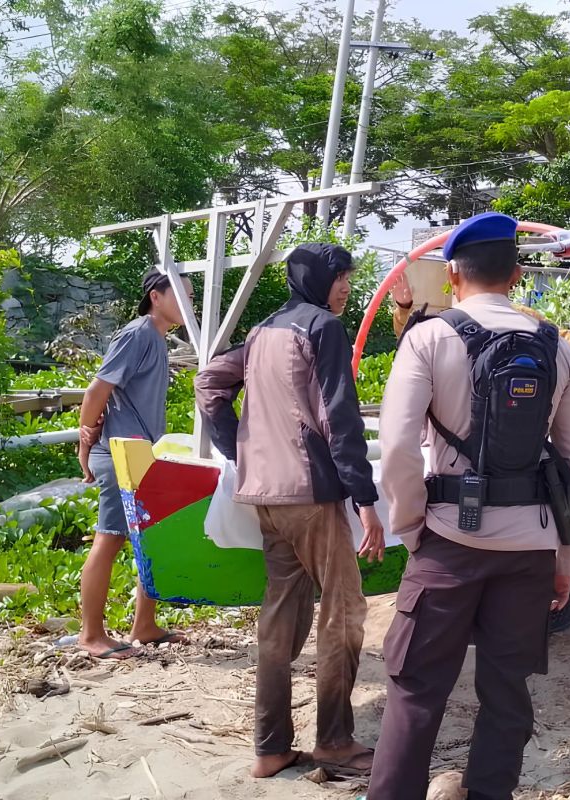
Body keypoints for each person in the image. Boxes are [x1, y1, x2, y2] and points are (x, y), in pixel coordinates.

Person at [368, 212, 570, 800]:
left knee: (417, 689)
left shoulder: (429, 337)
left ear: (452, 276)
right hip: (531, 547)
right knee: (507, 690)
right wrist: (566, 557)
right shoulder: (557, 349)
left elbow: (396, 448)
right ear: (516, 274)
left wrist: (413, 527)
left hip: (449, 539)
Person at [194, 243, 385, 780]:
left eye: (347, 276)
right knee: (342, 616)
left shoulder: (263, 331)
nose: (345, 286)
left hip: (265, 498)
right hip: (311, 496)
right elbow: (340, 419)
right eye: (338, 276)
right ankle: (334, 742)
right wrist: (366, 501)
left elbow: (208, 382)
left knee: (279, 622)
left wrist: (242, 452)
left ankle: (271, 748)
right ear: (316, 279)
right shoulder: (321, 327)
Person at [76, 271, 191, 660]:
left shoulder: (158, 338)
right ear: (155, 296)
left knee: (150, 536)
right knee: (109, 539)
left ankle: (144, 625)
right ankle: (90, 635)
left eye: (192, 295)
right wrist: (84, 439)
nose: (189, 302)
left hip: (141, 453)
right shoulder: (138, 333)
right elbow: (97, 390)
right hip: (117, 452)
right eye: (181, 294)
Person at [389, 270, 570, 359]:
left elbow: (555, 333)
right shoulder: (448, 321)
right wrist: (404, 307)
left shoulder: (521, 314)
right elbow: (409, 336)